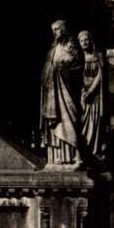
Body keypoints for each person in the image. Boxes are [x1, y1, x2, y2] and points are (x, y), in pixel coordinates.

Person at [40, 21, 83, 167]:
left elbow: (78, 69)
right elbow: (46, 72)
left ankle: (76, 157)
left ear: (64, 30)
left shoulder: (73, 49)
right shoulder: (52, 51)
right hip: (52, 93)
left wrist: (63, 69)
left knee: (70, 119)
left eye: (57, 29)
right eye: (53, 30)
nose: (55, 32)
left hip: (67, 90)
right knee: (56, 123)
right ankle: (56, 158)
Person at [78, 30, 106, 161]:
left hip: (95, 94)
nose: (84, 43)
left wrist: (90, 91)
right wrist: (83, 91)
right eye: (81, 41)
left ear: (90, 41)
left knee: (94, 121)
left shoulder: (98, 56)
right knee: (82, 121)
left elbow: (100, 75)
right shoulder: (79, 58)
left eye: (86, 40)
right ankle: (83, 150)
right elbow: (78, 75)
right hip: (83, 93)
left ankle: (94, 150)